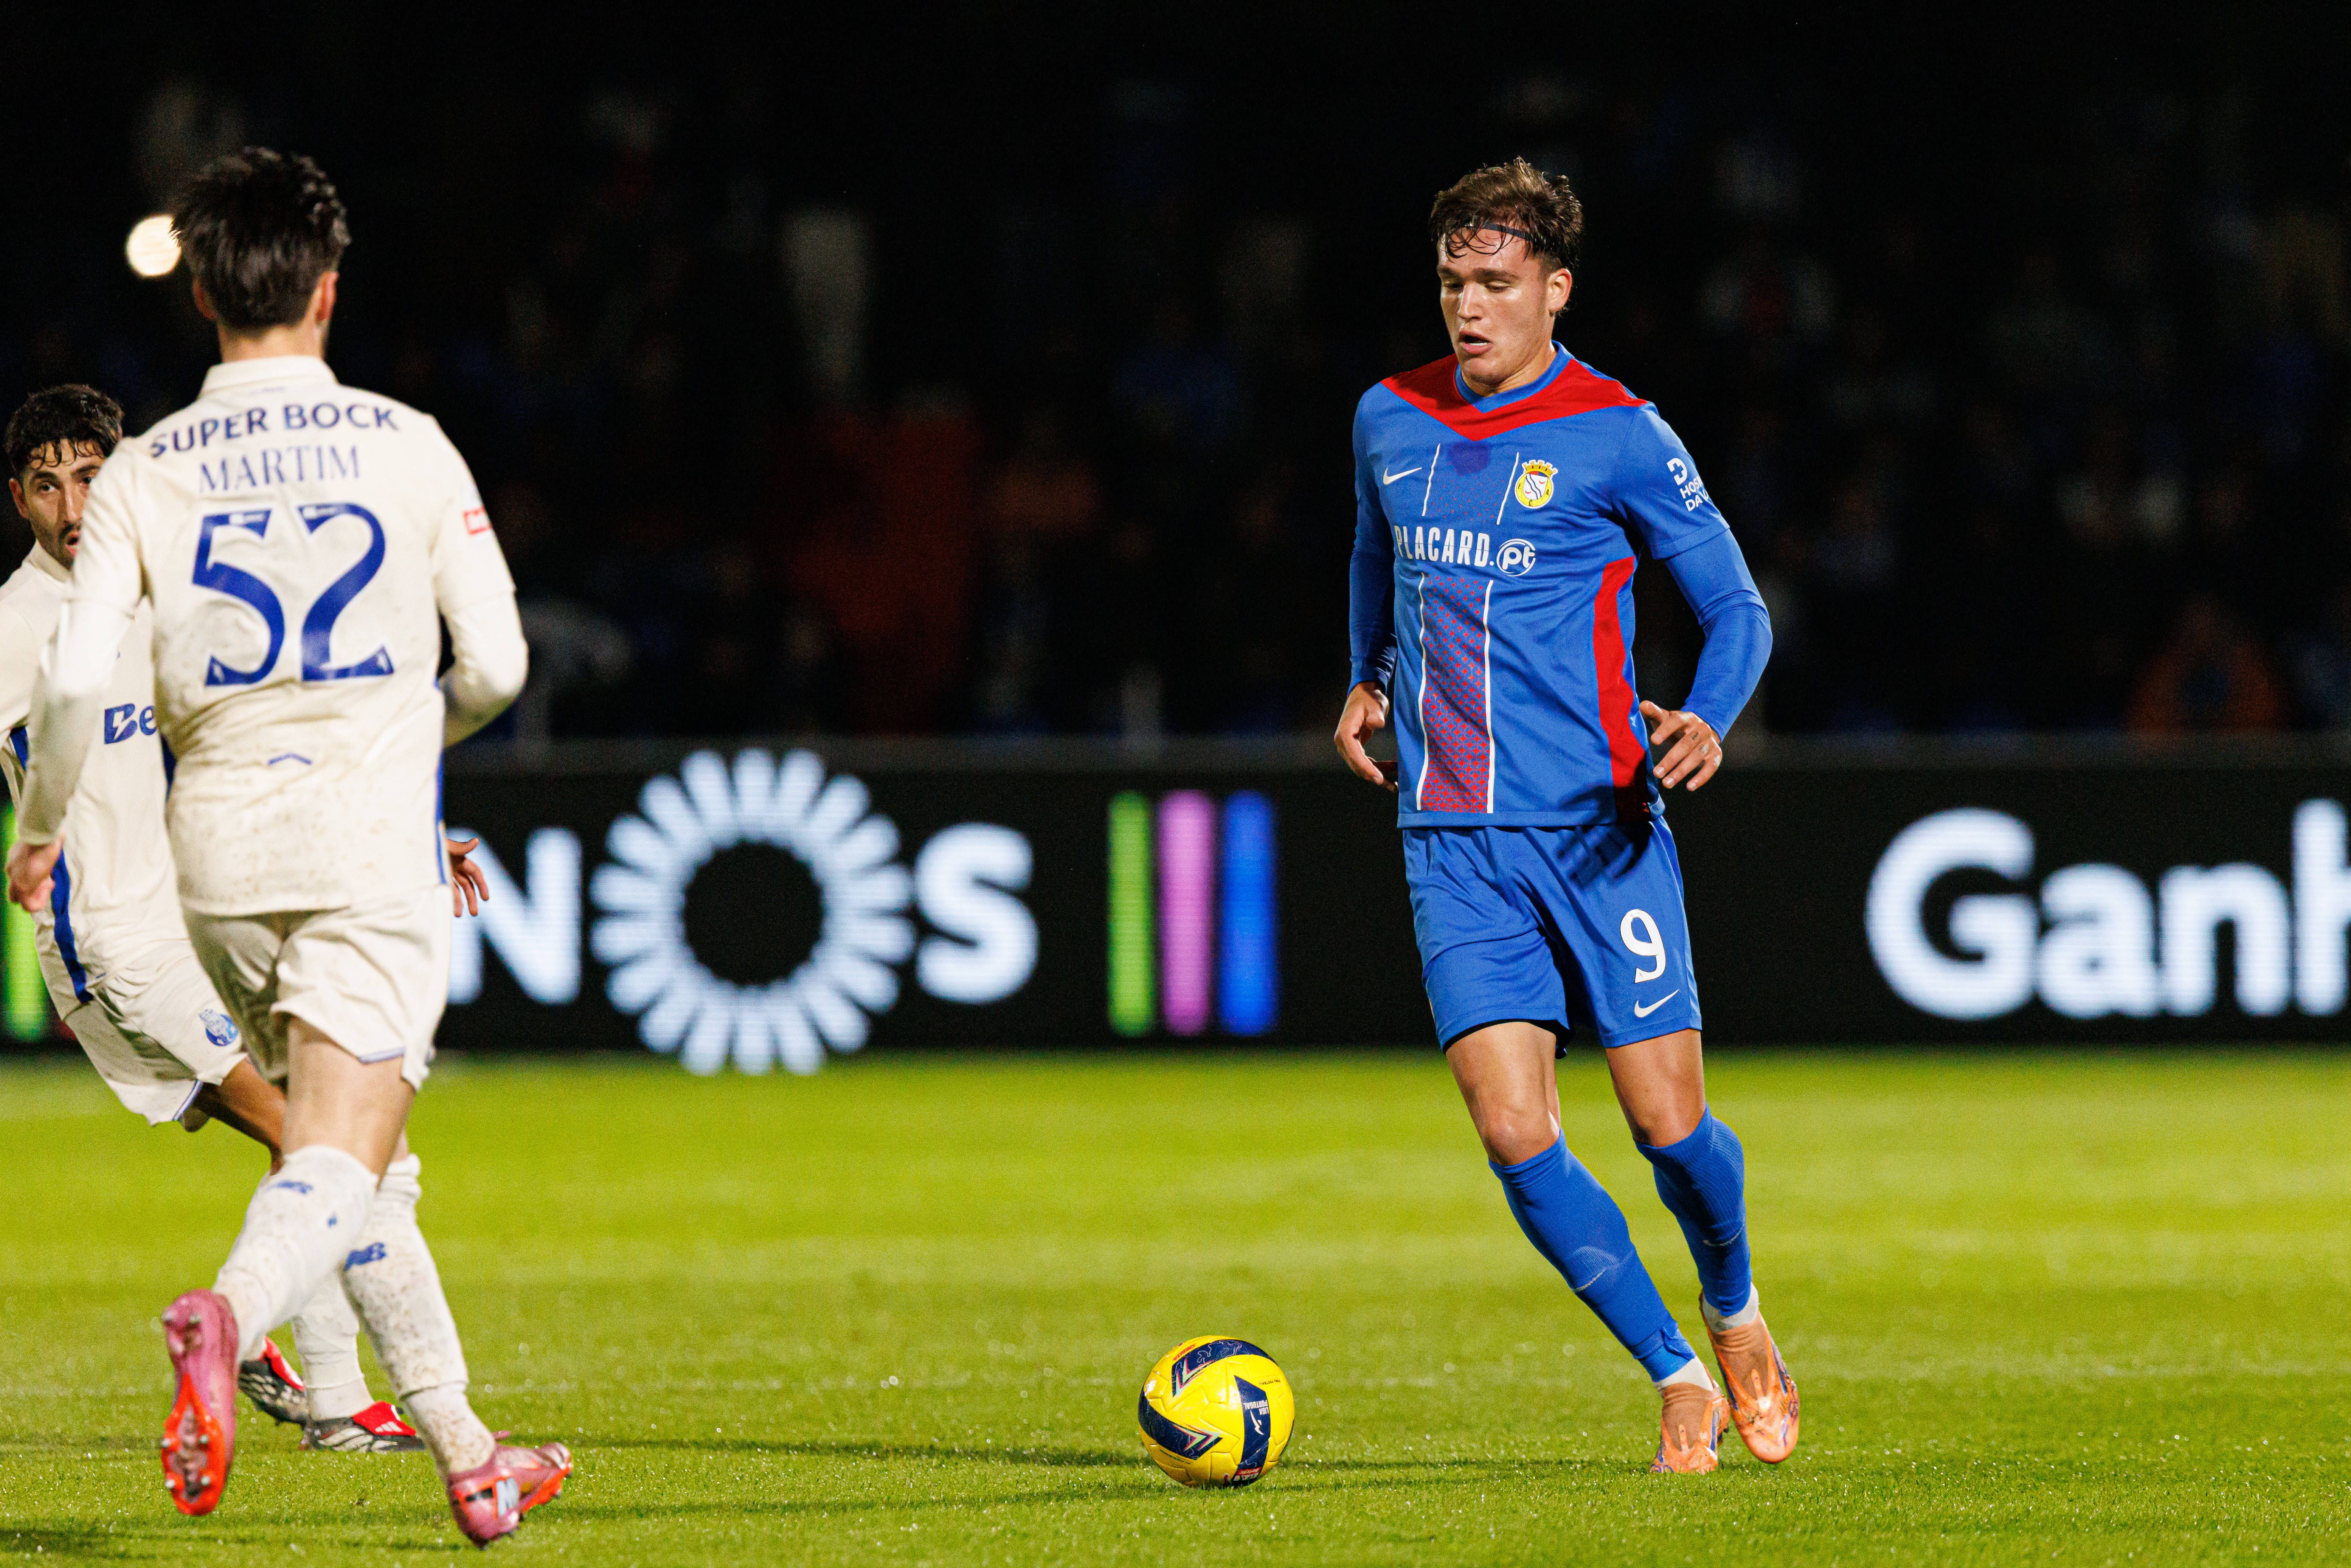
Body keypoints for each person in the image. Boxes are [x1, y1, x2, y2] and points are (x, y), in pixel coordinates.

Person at [5, 148, 563, 1544]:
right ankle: (237, 1322)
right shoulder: (406, 439)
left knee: (339, 1156)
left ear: (198, 289)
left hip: (216, 866)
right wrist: (394, 760)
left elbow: (78, 695)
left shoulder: (148, 473)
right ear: (326, 286)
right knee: (347, 1157)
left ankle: (468, 1452)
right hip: (347, 839)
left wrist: (34, 833)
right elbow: (492, 665)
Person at [1333, 160, 1794, 1474]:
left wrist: (1706, 711)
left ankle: (1735, 1303)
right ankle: (1675, 1375)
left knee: (1667, 1127)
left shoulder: (1617, 433)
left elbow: (1738, 610)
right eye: (1449, 283)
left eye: (1493, 284)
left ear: (1554, 290)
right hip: (1450, 838)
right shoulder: (1386, 418)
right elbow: (1376, 551)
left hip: (1600, 833)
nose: (1467, 309)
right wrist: (1367, 676)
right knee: (1511, 1127)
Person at [3, 383, 452, 1454]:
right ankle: (278, 1352)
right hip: (113, 940)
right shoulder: (17, 624)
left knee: (328, 1137)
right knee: (329, 1143)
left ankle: (306, 1379)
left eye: (92, 474)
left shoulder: (174, 598)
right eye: (46, 484)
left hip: (205, 924)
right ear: (16, 500)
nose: (73, 505)